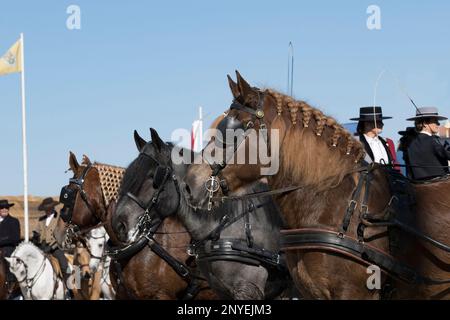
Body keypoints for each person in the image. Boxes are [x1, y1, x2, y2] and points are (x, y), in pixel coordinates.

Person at [406, 107, 450, 180]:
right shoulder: (432, 141)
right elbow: (447, 155)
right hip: (438, 184)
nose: (438, 124)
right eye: (435, 121)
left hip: (418, 185)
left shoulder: (410, 144)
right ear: (425, 123)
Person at [33, 197, 71, 282]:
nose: (47, 211)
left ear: (53, 207)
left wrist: (51, 247)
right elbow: (36, 232)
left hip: (56, 247)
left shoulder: (60, 218)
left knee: (64, 265)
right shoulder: (40, 219)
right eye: (46, 209)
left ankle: (70, 286)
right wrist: (35, 238)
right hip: (42, 247)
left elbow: (60, 236)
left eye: (48, 209)